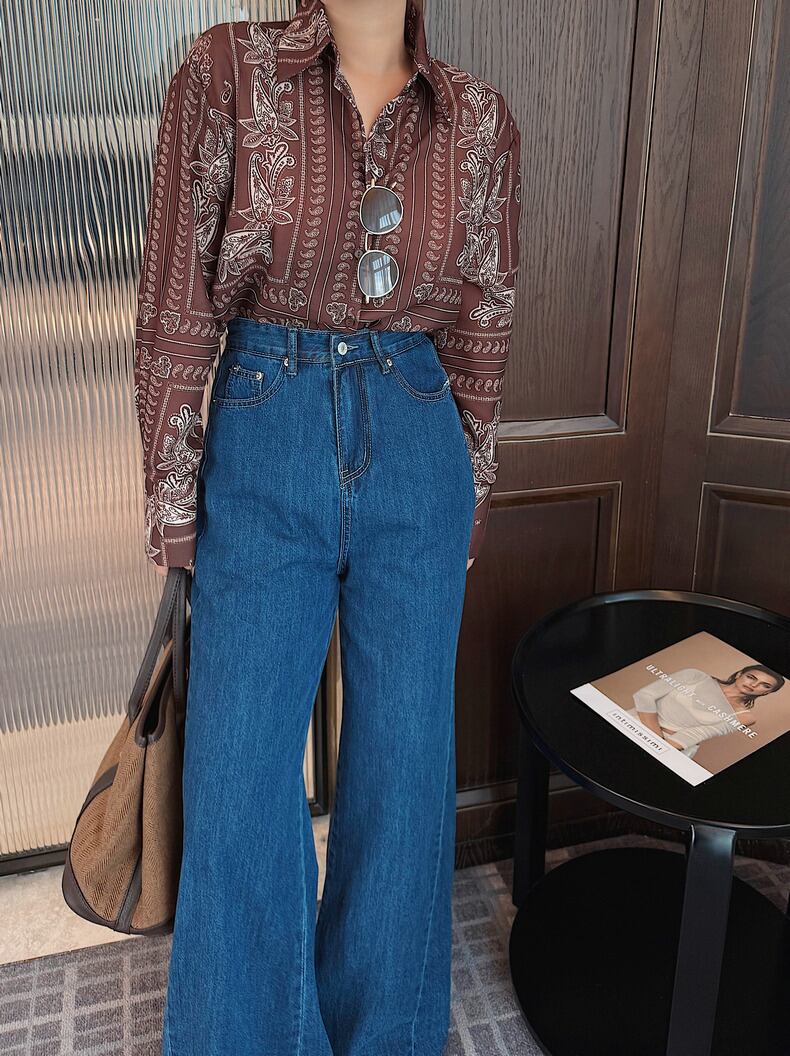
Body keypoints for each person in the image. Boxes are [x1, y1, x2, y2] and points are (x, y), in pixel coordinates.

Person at [132, 1, 521, 1053]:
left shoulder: (479, 120)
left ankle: (384, 1033)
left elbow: (484, 324)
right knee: (238, 772)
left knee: (404, 765)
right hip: (266, 424)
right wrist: (173, 504)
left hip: (418, 433)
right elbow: (175, 306)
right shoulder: (226, 72)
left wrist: (472, 491)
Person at [627, 663, 784, 759]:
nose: (754, 685)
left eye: (765, 685)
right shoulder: (694, 675)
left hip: (673, 747)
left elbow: (697, 734)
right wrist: (655, 739)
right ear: (739, 674)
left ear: (767, 693)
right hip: (637, 722)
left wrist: (659, 748)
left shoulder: (745, 717)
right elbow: (645, 696)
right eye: (751, 677)